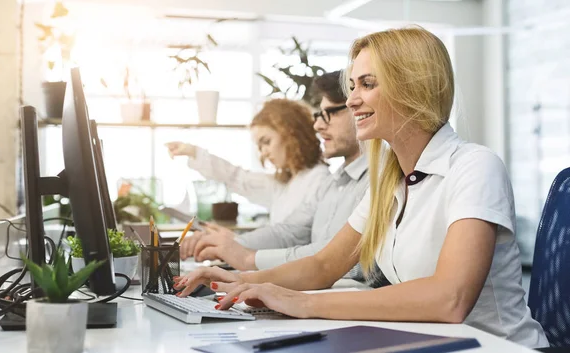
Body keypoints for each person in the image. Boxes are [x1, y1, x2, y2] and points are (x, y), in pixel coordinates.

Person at [173, 27, 549, 348]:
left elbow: (449, 298)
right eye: (353, 86)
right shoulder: (389, 181)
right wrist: (238, 279)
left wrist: (302, 303)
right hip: (432, 344)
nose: (351, 100)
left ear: (411, 87)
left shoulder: (474, 167)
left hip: (498, 347)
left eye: (367, 84)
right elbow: (324, 265)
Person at [180, 72, 369, 277]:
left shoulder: (329, 179)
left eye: (329, 113)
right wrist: (234, 245)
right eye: (318, 116)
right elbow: (289, 232)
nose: (318, 126)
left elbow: (334, 259)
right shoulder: (332, 183)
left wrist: (245, 256)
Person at [166, 98, 329, 224]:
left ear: (291, 133)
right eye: (260, 146)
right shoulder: (285, 183)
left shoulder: (318, 180)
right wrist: (193, 152)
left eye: (266, 141)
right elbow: (237, 177)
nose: (264, 152)